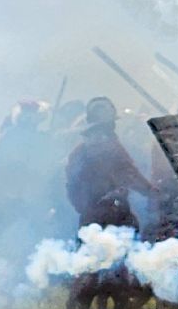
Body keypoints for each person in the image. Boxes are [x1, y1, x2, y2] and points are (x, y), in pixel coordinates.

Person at [64, 97, 155, 227]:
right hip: (104, 214)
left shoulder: (84, 149)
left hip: (100, 213)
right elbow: (128, 173)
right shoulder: (104, 148)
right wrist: (150, 191)